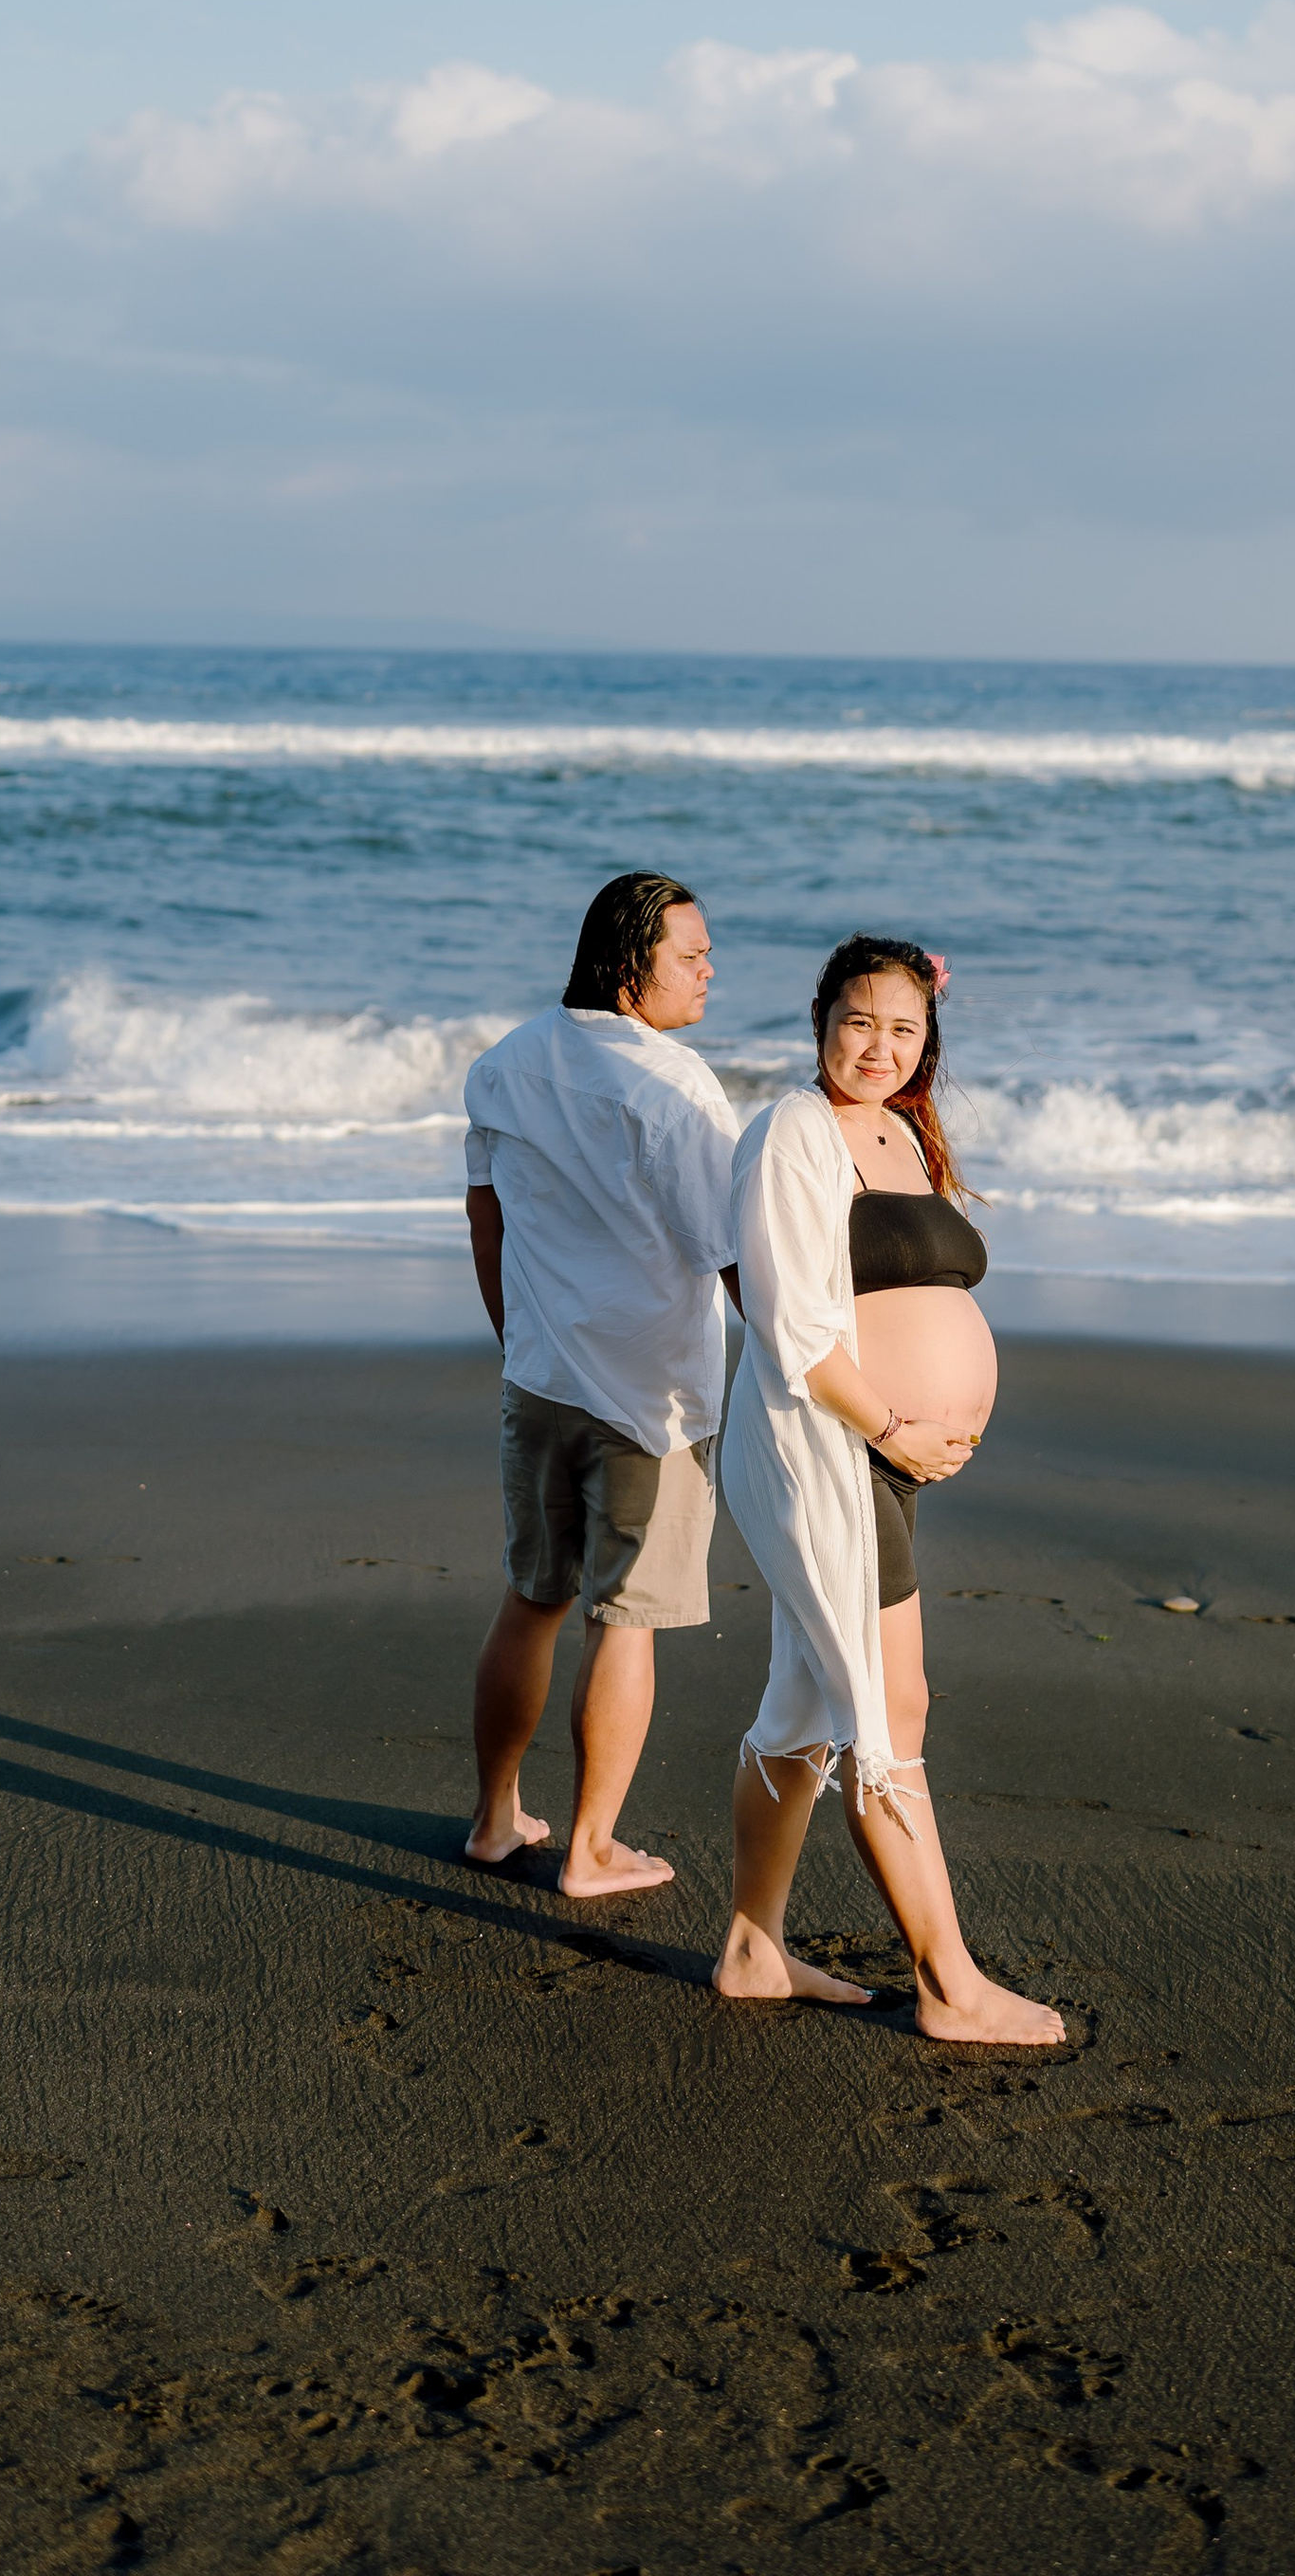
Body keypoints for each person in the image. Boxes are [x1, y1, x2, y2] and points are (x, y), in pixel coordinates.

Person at [713, 932, 1066, 2042]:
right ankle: (950, 1985)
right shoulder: (789, 1133)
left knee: (805, 1708)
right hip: (829, 1450)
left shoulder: (907, 1135)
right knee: (886, 1709)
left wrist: (923, 1431)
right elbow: (788, 1325)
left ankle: (751, 1950)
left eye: (903, 1027)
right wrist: (895, 1428)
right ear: (820, 1020)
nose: (878, 1045)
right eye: (859, 1020)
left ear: (929, 1038)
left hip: (888, 1454)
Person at [461, 870, 740, 1898]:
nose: (710, 969)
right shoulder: (674, 1084)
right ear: (631, 968)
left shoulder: (504, 1062)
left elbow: (484, 1217)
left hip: (538, 1378)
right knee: (623, 1620)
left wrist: (517, 1339)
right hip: (649, 1398)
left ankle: (496, 1820)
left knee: (532, 1598)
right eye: (690, 954)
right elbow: (728, 1253)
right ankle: (588, 1848)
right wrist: (808, 1376)